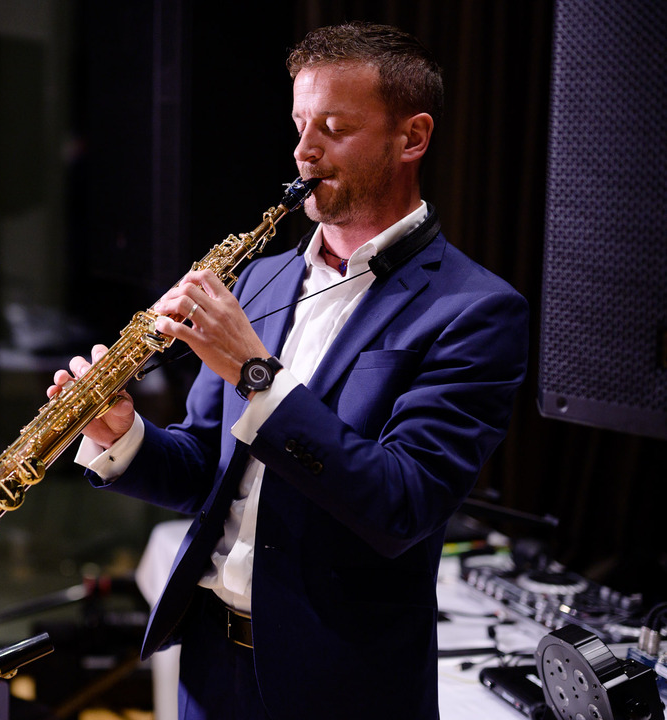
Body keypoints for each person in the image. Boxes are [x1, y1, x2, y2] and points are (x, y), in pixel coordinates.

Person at [48, 21, 529, 720]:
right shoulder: (263, 279)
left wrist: (254, 372)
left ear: (412, 138)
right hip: (210, 665)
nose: (304, 150)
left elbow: (402, 504)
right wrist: (124, 434)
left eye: (333, 127)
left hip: (340, 683)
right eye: (301, 123)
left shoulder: (475, 309)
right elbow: (203, 473)